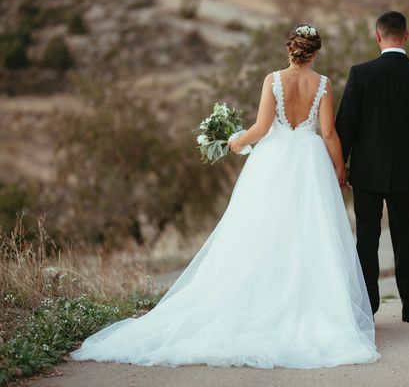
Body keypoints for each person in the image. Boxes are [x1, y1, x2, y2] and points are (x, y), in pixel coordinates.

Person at [69, 24, 379, 369]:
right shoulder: (323, 84)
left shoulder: (272, 80)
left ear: (290, 50)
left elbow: (262, 129)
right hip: (310, 161)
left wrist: (236, 141)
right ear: (316, 53)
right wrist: (339, 168)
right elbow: (329, 132)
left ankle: (264, 298)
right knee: (311, 232)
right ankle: (309, 303)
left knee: (261, 231)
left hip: (274, 161)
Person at [336, 10, 409, 323]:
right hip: (407, 175)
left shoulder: (361, 74)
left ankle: (369, 305)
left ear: (377, 36)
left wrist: (342, 169)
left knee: (367, 237)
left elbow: (345, 129)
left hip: (366, 174)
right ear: (406, 36)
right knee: (405, 236)